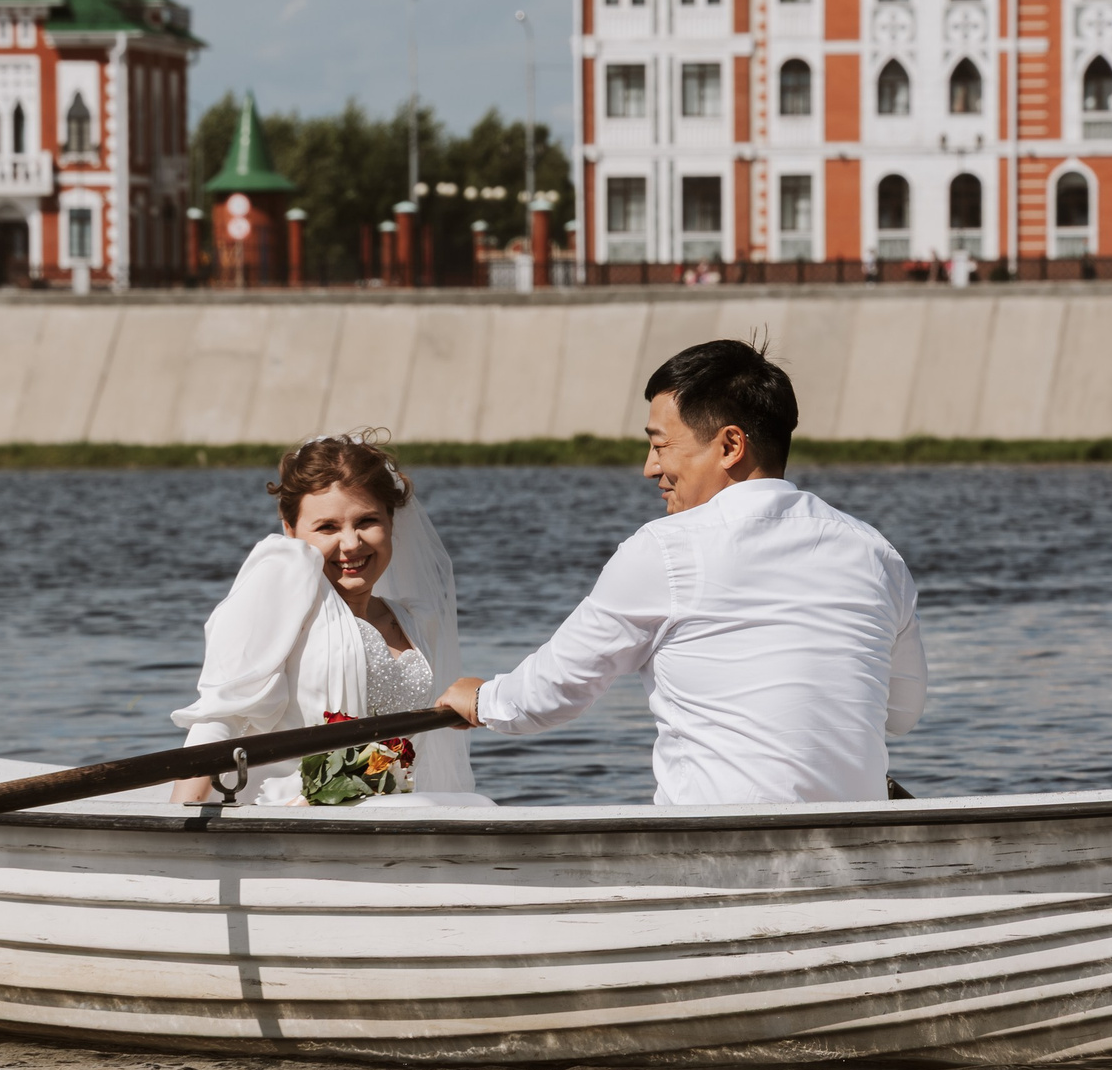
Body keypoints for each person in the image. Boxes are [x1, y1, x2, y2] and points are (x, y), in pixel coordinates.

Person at [437, 339, 925, 805]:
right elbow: (901, 714)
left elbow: (549, 694)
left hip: (719, 850)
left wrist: (481, 700)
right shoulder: (876, 552)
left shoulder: (664, 550)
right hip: (858, 840)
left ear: (730, 446)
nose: (650, 468)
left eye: (660, 445)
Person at [171, 433, 477, 805]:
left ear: (391, 522)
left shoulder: (415, 618)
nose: (351, 544)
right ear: (290, 530)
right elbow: (220, 720)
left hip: (390, 815)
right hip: (289, 817)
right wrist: (180, 821)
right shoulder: (279, 588)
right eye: (327, 527)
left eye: (367, 521)